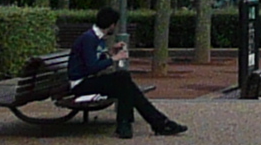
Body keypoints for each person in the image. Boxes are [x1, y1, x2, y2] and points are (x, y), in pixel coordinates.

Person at [67, 9, 186, 138]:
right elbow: (91, 67)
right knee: (123, 79)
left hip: (88, 80)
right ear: (112, 24)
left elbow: (94, 60)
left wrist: (110, 53)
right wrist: (114, 59)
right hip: (80, 83)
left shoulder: (96, 38)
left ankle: (136, 125)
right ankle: (155, 123)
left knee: (125, 83)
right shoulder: (89, 39)